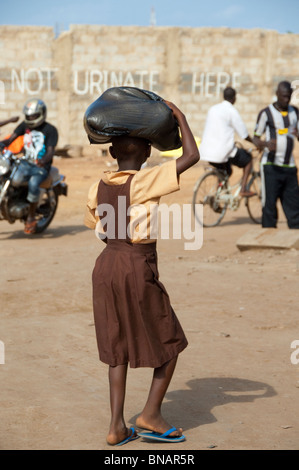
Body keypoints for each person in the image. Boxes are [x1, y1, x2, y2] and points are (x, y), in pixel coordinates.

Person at [84, 100, 199, 446]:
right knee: (170, 340)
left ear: (112, 151)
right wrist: (180, 117)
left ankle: (117, 426)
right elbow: (191, 156)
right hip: (136, 263)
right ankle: (150, 414)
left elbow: (100, 229)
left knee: (115, 344)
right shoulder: (147, 180)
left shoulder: (97, 185)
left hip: (105, 266)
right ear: (148, 150)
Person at [0, 98, 58, 234]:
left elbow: (50, 151)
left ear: (42, 114)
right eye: (29, 115)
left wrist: (43, 161)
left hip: (40, 167)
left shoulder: (50, 130)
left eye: (34, 115)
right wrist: (2, 144)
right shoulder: (24, 126)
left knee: (33, 184)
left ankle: (31, 217)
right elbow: (11, 138)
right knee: (8, 175)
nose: (31, 118)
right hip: (25, 163)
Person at [253, 81, 299, 228]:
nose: (287, 100)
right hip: (270, 166)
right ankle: (267, 239)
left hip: (289, 166)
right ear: (277, 95)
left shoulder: (295, 112)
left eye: (289, 96)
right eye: (284, 96)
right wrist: (265, 144)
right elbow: (255, 137)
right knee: (269, 205)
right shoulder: (266, 113)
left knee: (294, 206)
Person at [200, 87, 256, 197]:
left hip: (206, 151)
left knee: (227, 171)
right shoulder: (231, 111)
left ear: (223, 96)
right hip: (222, 151)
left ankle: (219, 194)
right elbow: (244, 134)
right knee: (248, 160)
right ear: (234, 98)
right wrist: (255, 143)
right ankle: (243, 189)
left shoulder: (213, 109)